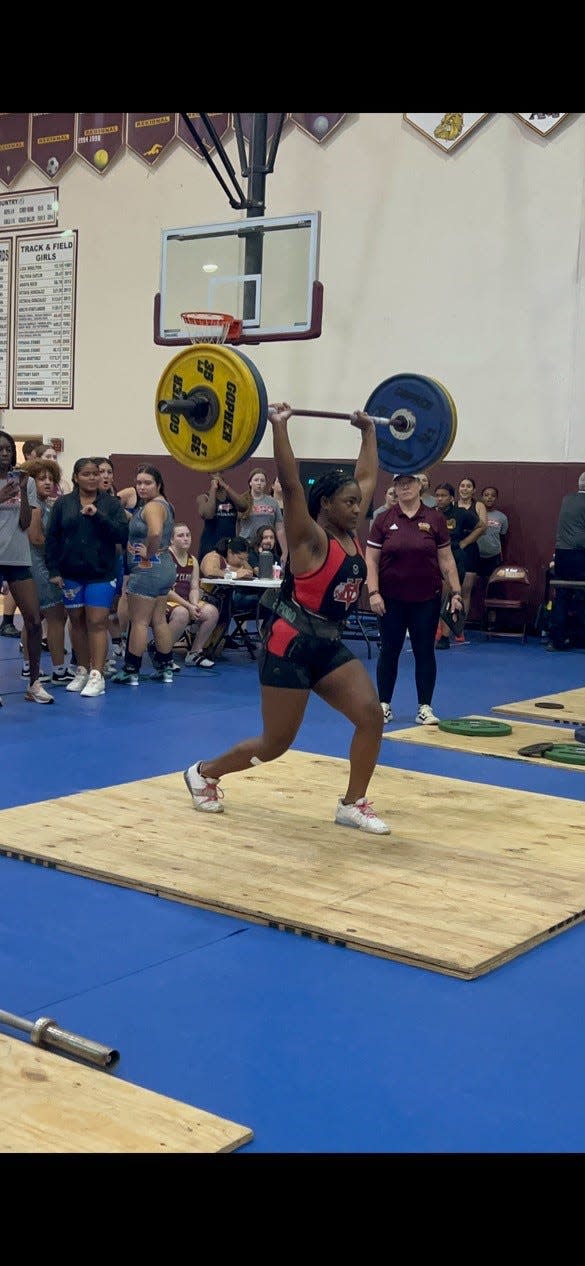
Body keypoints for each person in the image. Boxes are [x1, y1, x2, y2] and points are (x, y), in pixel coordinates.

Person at [184, 403, 391, 835]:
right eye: (349, 502)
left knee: (371, 715)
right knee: (276, 744)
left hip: (327, 643)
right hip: (289, 643)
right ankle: (204, 772)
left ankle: (352, 803)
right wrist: (279, 427)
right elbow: (293, 486)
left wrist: (368, 431)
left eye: (359, 502)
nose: (358, 508)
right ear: (326, 505)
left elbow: (368, 477)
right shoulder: (309, 539)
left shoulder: (349, 533)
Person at [365, 471, 464, 724]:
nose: (404, 487)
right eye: (399, 484)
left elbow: (446, 559)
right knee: (390, 651)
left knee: (424, 651)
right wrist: (373, 592)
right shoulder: (383, 519)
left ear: (420, 486)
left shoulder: (435, 518)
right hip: (390, 599)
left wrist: (456, 592)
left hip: (426, 599)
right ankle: (383, 705)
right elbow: (371, 560)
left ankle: (425, 708)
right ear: (394, 489)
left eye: (409, 483)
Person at [44, 457, 129, 697]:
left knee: (97, 621)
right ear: (76, 477)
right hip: (71, 573)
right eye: (88, 474)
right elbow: (53, 538)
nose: (93, 478)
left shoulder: (111, 504)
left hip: (101, 573)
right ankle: (81, 669)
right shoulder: (63, 504)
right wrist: (54, 570)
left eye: (97, 473)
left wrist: (99, 515)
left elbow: (122, 534)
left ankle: (97, 675)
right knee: (77, 622)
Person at [0, 430, 53, 704]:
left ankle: (33, 683)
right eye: (0, 449)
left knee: (33, 619)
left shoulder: (26, 482)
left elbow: (24, 523)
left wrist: (20, 491)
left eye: (8, 448)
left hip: (18, 557)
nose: (5, 452)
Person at [111, 465, 176, 685]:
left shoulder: (153, 507)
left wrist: (148, 552)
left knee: (138, 621)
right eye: (138, 482)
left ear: (158, 485)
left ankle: (131, 670)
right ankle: (166, 668)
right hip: (164, 568)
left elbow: (155, 531)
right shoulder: (161, 505)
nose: (141, 487)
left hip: (148, 570)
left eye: (147, 482)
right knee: (158, 619)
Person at [23, 456, 76, 686]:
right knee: (57, 616)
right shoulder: (35, 506)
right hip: (40, 565)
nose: (47, 482)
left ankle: (28, 666)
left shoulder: (42, 504)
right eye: (41, 478)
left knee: (34, 619)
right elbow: (35, 538)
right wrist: (60, 548)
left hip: (32, 565)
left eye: (50, 478)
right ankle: (59, 669)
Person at [161, 522, 219, 669]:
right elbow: (165, 590)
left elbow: (194, 587)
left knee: (211, 612)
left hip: (185, 602)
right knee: (182, 613)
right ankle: (163, 654)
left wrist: (193, 604)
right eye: (181, 536)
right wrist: (188, 606)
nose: (186, 538)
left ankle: (194, 652)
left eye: (188, 535)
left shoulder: (192, 560)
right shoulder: (165, 557)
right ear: (171, 540)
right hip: (164, 601)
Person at [433, 482, 480, 648]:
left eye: (443, 495)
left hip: (454, 556)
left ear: (451, 498)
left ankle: (446, 635)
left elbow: (481, 526)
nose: (440, 498)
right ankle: (435, 629)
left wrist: (465, 542)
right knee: (434, 596)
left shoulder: (460, 513)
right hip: (433, 557)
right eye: (437, 495)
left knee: (449, 595)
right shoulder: (431, 514)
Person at [548, 470, 585, 651]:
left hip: (562, 553)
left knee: (561, 595)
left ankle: (557, 640)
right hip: (580, 554)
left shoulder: (567, 499)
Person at [237, 467, 288, 563]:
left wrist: (285, 551)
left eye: (262, 480)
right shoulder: (242, 500)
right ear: (250, 482)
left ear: (265, 484)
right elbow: (235, 523)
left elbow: (280, 529)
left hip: (267, 545)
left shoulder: (273, 502)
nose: (259, 483)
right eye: (256, 480)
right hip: (247, 544)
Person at [196, 472, 249, 563]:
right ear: (209, 475)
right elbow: (208, 514)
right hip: (209, 546)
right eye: (214, 473)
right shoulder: (203, 497)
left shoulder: (232, 497)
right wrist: (213, 488)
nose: (217, 475)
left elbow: (244, 506)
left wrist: (225, 486)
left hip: (228, 547)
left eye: (220, 472)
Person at [455, 476, 487, 621]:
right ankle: (444, 626)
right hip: (452, 549)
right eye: (462, 485)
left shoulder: (479, 506)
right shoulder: (452, 505)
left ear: (474, 490)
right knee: (449, 590)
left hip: (469, 550)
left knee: (465, 590)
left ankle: (460, 626)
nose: (465, 488)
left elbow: (483, 528)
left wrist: (465, 542)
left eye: (468, 486)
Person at [476, 486, 509, 578]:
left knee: (492, 584)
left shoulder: (502, 517)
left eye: (493, 495)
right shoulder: (475, 514)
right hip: (476, 555)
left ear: (496, 498)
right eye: (486, 495)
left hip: (494, 557)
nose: (489, 497)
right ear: (482, 497)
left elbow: (502, 537)